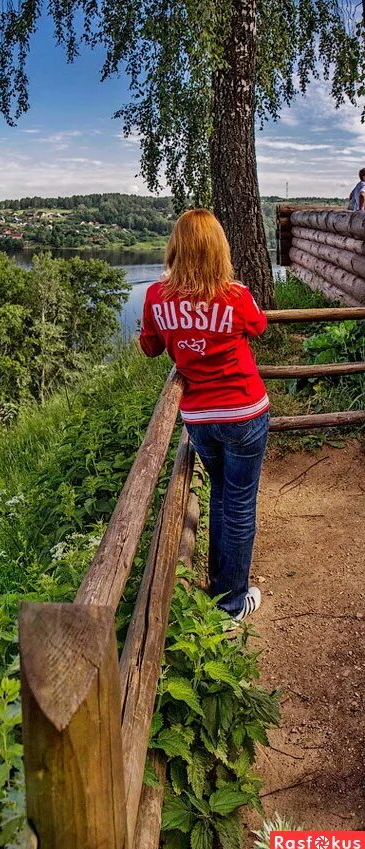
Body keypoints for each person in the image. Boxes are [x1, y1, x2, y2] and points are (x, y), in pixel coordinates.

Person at [139, 209, 269, 622]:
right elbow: (259, 326)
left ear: (176, 247)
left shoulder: (156, 297)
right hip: (245, 412)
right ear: (219, 249)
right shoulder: (234, 295)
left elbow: (150, 347)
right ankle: (232, 603)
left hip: (199, 417)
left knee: (222, 496)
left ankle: (220, 584)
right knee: (239, 504)